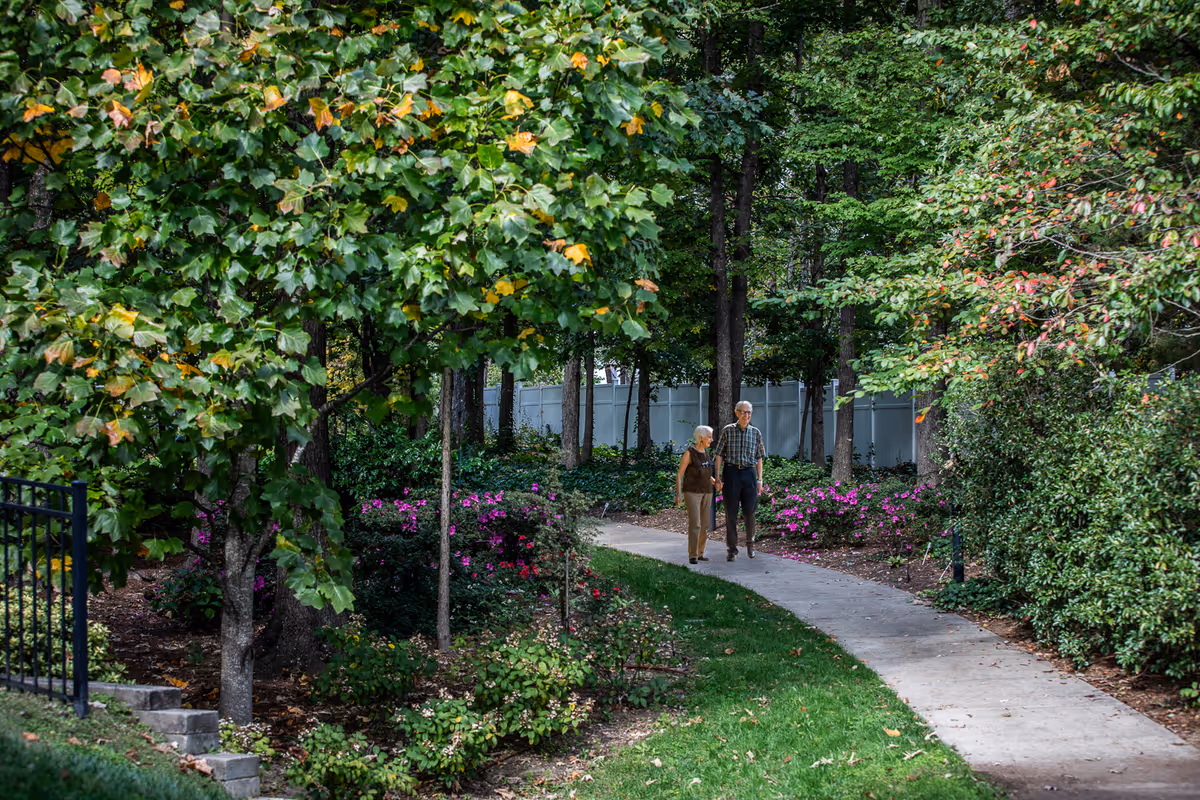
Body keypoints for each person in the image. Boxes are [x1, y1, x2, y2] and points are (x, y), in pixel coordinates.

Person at [713, 400, 765, 561]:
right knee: (731, 514)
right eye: (743, 412)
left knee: (750, 512)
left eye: (749, 412)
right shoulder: (727, 431)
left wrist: (760, 479)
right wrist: (717, 477)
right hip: (731, 473)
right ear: (736, 413)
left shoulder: (755, 432)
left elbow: (759, 458)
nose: (746, 415)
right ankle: (732, 549)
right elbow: (719, 455)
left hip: (749, 475)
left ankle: (750, 544)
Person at [675, 425, 716, 565]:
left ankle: (700, 553)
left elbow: (704, 471)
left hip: (707, 492)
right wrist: (678, 494)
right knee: (695, 524)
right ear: (701, 438)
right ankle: (693, 554)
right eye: (709, 437)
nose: (711, 439)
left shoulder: (705, 452)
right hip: (692, 492)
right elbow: (679, 474)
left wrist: (714, 481)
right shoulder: (689, 453)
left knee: (705, 525)